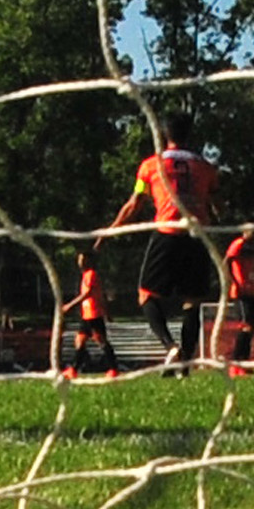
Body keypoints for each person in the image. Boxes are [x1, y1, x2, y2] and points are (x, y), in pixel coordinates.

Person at [103, 115, 221, 372]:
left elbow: (135, 203)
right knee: (193, 300)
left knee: (146, 295)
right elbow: (215, 199)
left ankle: (171, 347)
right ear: (189, 136)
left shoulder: (150, 166)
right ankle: (185, 364)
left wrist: (111, 231)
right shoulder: (205, 167)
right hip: (196, 234)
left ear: (164, 135)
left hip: (167, 233)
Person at [61, 256, 114, 378]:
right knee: (79, 341)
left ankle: (113, 368)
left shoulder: (91, 274)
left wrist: (70, 305)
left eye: (83, 259)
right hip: (86, 315)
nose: (80, 262)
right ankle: (74, 369)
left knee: (101, 341)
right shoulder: (85, 275)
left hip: (93, 314)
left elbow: (88, 293)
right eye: (79, 259)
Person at [222, 229, 254, 372]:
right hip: (241, 292)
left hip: (253, 292)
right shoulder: (238, 244)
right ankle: (235, 362)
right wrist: (232, 281)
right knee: (246, 326)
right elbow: (226, 262)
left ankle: (244, 363)